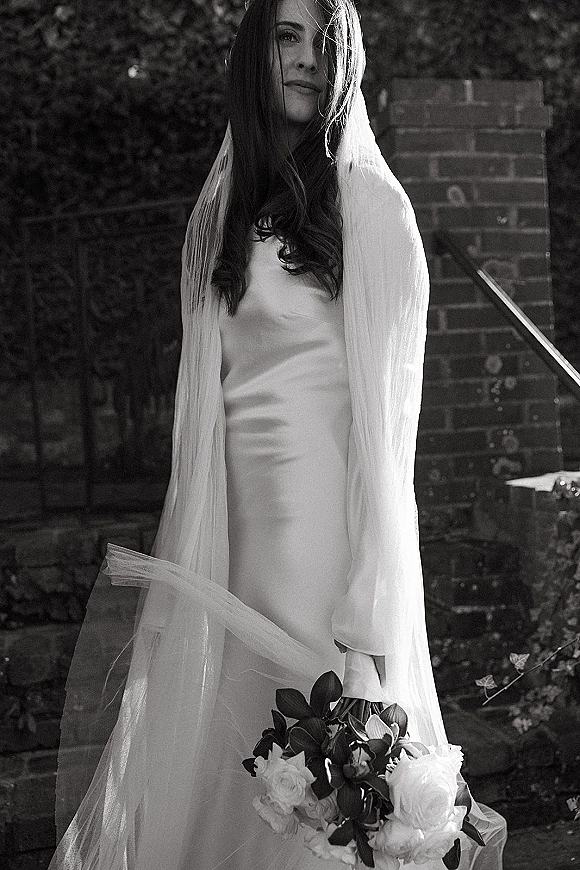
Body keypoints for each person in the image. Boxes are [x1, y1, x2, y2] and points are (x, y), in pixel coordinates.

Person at [49, 1, 507, 868]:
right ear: (254, 54)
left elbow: (385, 432)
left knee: (314, 804)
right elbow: (205, 416)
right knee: (227, 777)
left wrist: (370, 610)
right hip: (232, 556)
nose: (302, 60)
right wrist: (192, 565)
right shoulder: (224, 211)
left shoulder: (370, 206)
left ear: (348, 60)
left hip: (324, 562)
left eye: (320, 41)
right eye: (284, 38)